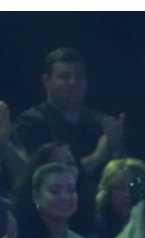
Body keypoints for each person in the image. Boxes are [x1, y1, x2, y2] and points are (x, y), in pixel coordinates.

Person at [12, 47, 126, 190]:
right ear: (46, 81)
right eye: (64, 77)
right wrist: (99, 154)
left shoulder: (100, 122)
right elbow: (43, 178)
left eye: (79, 76)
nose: (73, 83)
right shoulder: (31, 122)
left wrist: (115, 149)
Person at [93, 157, 145, 238]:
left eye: (134, 187)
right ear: (108, 192)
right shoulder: (96, 229)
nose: (127, 194)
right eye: (119, 188)